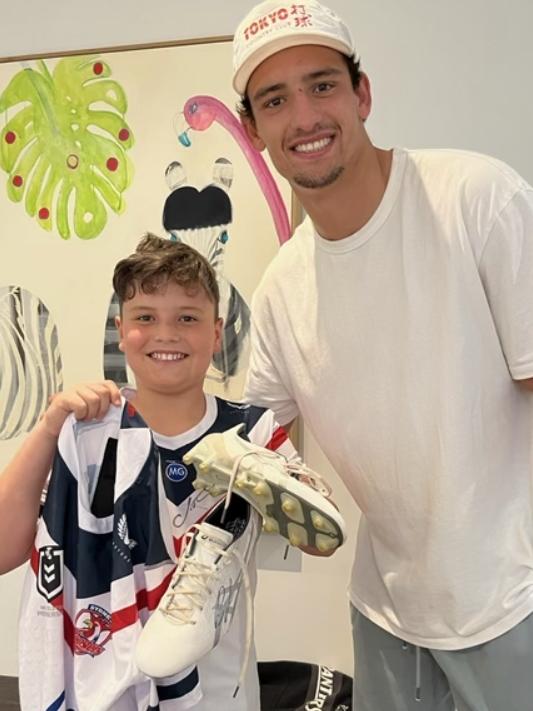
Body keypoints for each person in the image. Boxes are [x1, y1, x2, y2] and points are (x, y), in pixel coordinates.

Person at [232, 1, 533, 709]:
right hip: (384, 612)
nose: (303, 116)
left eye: (322, 85)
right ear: (253, 130)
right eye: (275, 100)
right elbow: (256, 444)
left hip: (511, 599)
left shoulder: (474, 198)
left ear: (361, 94)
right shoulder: (282, 286)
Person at [0, 233, 342, 711]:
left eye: (187, 318)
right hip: (102, 688)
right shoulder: (88, 430)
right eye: (145, 318)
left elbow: (318, 539)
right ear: (121, 330)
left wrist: (273, 483)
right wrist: (49, 425)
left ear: (216, 333)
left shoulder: (252, 430)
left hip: (218, 692)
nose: (166, 334)